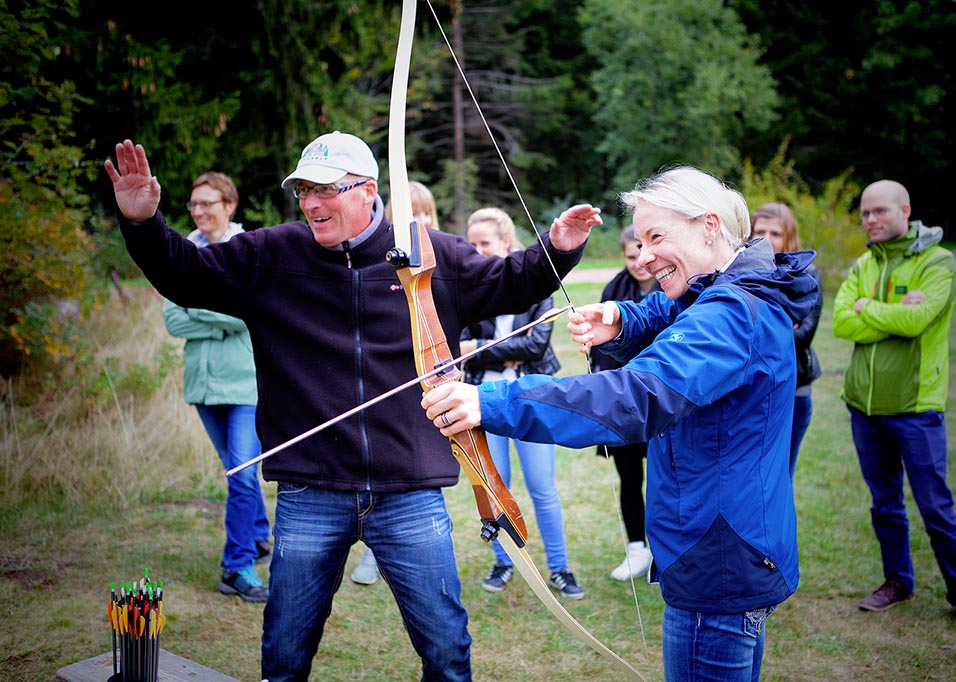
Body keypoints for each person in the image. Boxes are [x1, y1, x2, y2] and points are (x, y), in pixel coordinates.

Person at [104, 132, 599, 680]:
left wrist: (559, 247)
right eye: (303, 192)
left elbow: (512, 281)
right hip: (310, 489)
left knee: (447, 650)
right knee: (285, 654)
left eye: (325, 190)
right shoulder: (271, 255)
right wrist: (143, 224)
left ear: (367, 190)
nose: (311, 203)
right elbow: (184, 275)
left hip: (409, 490)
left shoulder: (426, 254)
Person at [422, 166, 819, 681]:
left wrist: (488, 402)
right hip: (728, 546)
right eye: (641, 239)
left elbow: (634, 397)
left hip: (719, 557)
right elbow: (677, 312)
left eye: (657, 237)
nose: (645, 255)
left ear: (709, 226)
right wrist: (624, 319)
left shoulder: (733, 314)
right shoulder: (733, 288)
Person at [833, 179, 956, 634]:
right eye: (865, 214)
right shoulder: (864, 262)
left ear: (906, 210)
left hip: (916, 408)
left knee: (935, 507)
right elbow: (843, 321)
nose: (872, 220)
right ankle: (897, 582)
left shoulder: (938, 261)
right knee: (884, 504)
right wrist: (889, 310)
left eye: (880, 211)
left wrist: (870, 308)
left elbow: (919, 319)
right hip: (864, 407)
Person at [459, 207, 583, 599]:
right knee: (495, 487)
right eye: (472, 244)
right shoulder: (468, 290)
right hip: (483, 400)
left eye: (485, 244)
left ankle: (560, 568)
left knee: (542, 487)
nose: (477, 251)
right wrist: (492, 353)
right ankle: (504, 559)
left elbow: (535, 344)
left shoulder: (536, 287)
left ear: (506, 244)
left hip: (530, 397)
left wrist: (478, 347)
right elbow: (456, 343)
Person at [161, 172, 272, 602]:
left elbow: (250, 313)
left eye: (208, 203)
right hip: (204, 387)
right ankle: (260, 535)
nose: (199, 212)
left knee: (242, 475)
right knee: (237, 471)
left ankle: (237, 567)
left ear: (229, 205)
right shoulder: (182, 254)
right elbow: (173, 319)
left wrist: (199, 308)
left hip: (245, 385)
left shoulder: (248, 252)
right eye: (193, 204)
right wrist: (220, 313)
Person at [352, 180, 443, 587]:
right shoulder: (384, 264)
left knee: (413, 468)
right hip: (389, 380)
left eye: (423, 213)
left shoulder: (442, 262)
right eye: (409, 213)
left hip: (428, 384)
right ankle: (372, 553)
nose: (417, 220)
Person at [589, 225, 659, 581]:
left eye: (644, 253)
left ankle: (664, 552)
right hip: (622, 400)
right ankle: (636, 548)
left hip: (661, 399)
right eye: (631, 256)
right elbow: (599, 351)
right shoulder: (614, 289)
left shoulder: (673, 287)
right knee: (629, 477)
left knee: (664, 477)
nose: (639, 263)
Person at [750, 202, 823, 479]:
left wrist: (759, 326)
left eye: (776, 233)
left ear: (789, 236)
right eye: (760, 231)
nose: (767, 239)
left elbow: (802, 335)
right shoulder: (744, 275)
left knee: (780, 476)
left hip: (794, 390)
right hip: (755, 389)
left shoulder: (806, 277)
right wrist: (780, 323)